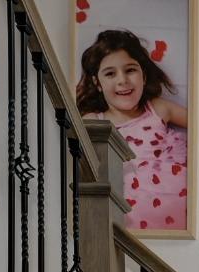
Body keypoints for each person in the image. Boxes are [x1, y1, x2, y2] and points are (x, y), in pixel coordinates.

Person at [75, 31, 188, 232]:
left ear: (143, 75)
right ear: (97, 83)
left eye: (130, 70)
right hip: (129, 217)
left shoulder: (158, 109)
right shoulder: (94, 121)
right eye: (110, 73)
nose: (122, 80)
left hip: (177, 207)